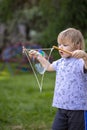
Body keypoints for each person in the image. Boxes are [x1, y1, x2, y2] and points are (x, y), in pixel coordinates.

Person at [23, 28, 87, 130]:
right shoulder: (60, 62)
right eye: (59, 44)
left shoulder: (80, 62)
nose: (60, 47)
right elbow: (48, 67)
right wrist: (39, 56)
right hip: (61, 106)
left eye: (65, 45)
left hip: (78, 108)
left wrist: (85, 57)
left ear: (77, 45)